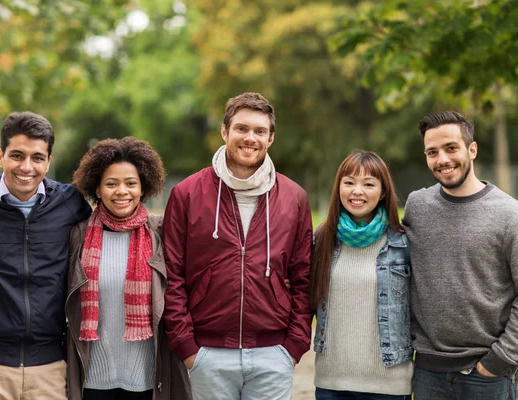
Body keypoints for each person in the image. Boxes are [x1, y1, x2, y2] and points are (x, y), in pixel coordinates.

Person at [163, 92, 313, 400]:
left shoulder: (294, 197)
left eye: (260, 131)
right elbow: (172, 274)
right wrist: (187, 347)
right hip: (207, 355)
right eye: (242, 128)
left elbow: (304, 276)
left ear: (271, 138)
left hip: (273, 355)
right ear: (224, 131)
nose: (250, 138)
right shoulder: (186, 194)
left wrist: (294, 347)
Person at [0, 111, 91, 400]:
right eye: (17, 155)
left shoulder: (70, 203)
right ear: (0, 156)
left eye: (37, 157)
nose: (26, 167)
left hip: (49, 365)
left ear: (48, 161)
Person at [403, 111, 518, 399]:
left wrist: (499, 361)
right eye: (432, 152)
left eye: (451, 148)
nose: (442, 159)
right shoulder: (417, 207)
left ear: (472, 149)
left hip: (489, 377)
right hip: (428, 373)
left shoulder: (509, 214)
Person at [66, 137, 191, 400]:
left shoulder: (161, 231)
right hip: (92, 378)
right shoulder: (78, 235)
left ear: (142, 187)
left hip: (148, 379)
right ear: (98, 190)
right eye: (111, 184)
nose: (122, 191)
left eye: (130, 183)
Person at [310, 150, 412, 400]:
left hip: (388, 385)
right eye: (349, 182)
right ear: (339, 188)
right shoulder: (322, 239)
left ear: (383, 191)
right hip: (331, 383)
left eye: (368, 184)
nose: (357, 191)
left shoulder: (403, 243)